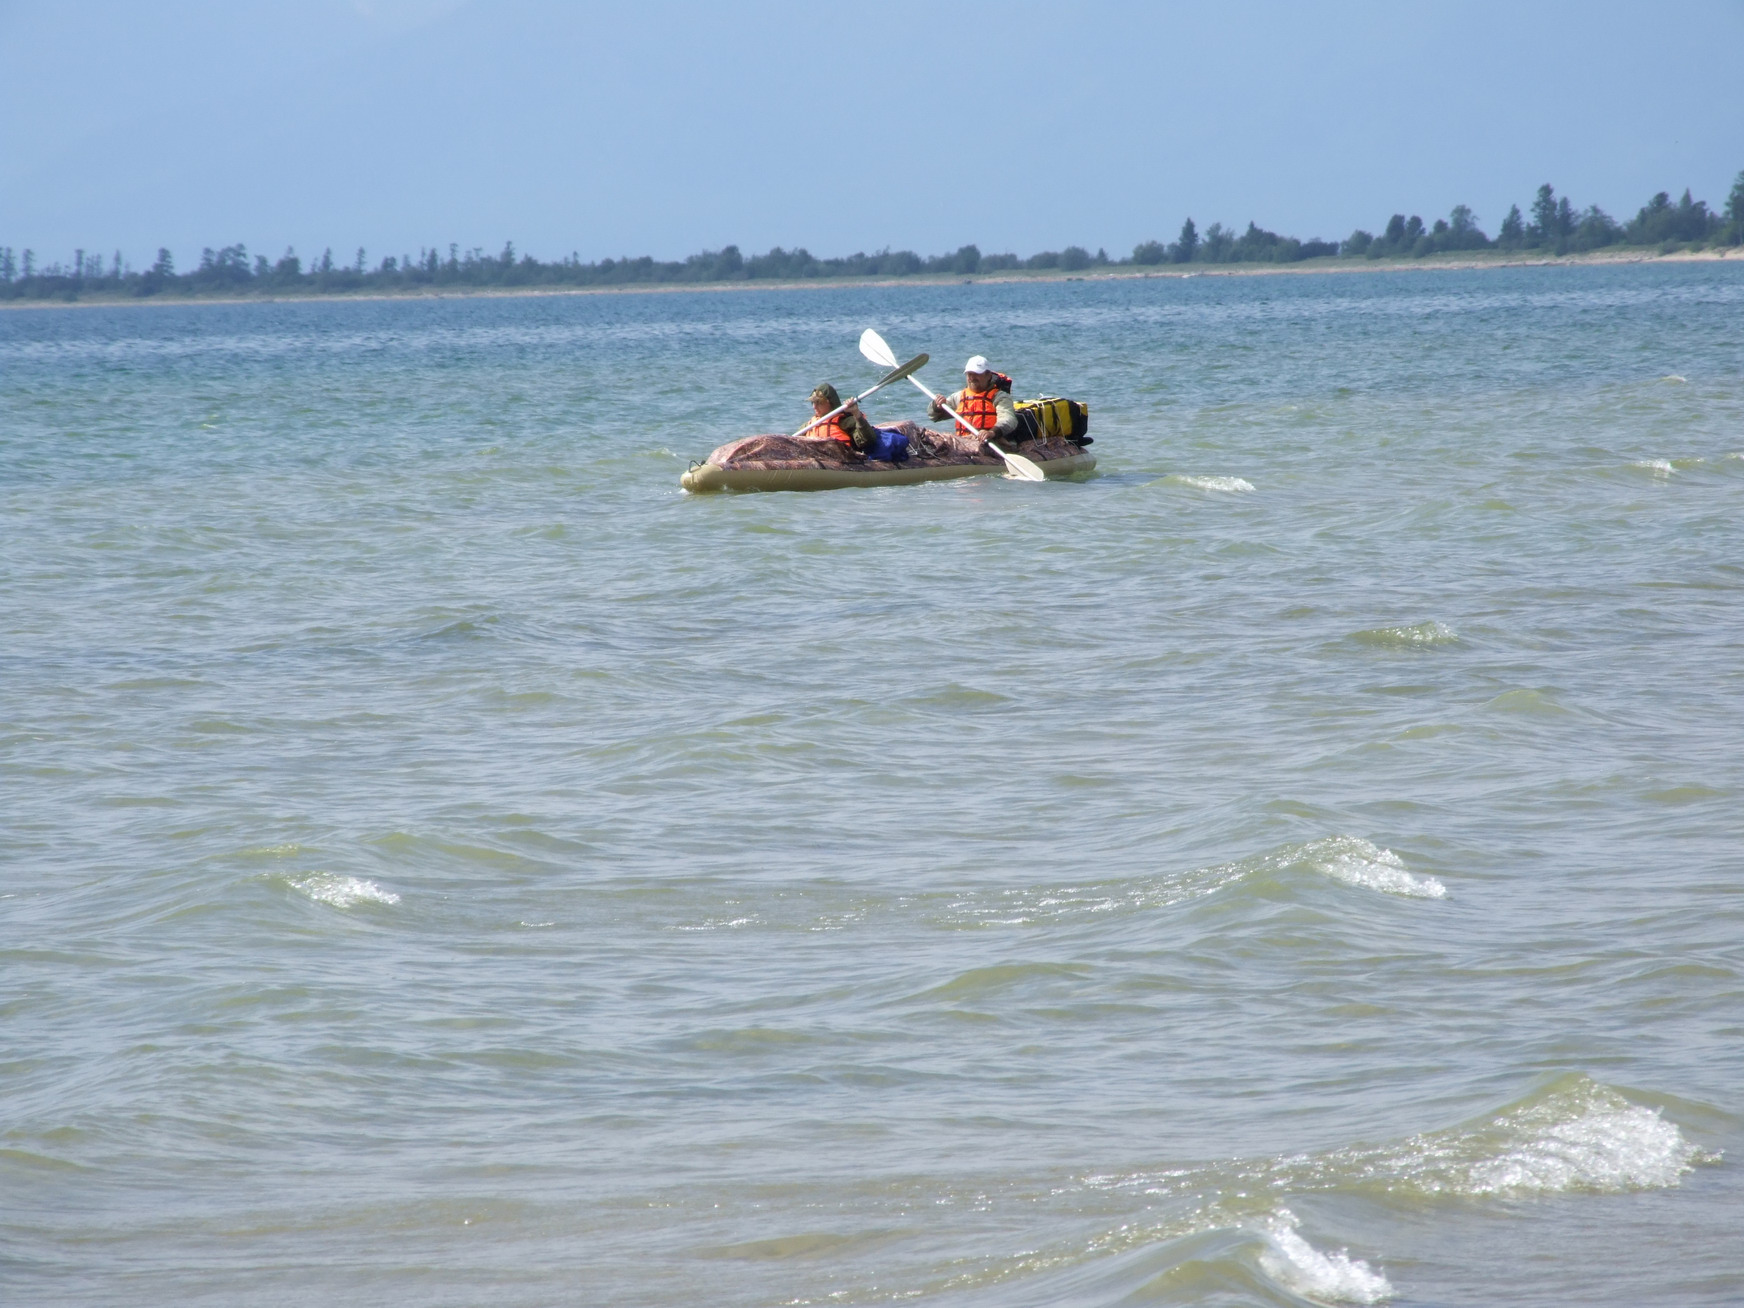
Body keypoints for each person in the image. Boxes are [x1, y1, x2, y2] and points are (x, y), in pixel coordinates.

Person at [930, 355, 1022, 446]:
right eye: (969, 374)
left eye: (977, 374)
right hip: (964, 443)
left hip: (990, 443)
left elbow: (1009, 419)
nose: (972, 377)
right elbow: (934, 416)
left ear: (988, 375)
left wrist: (992, 432)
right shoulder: (959, 397)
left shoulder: (999, 397)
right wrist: (937, 406)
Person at [804, 383, 880, 453]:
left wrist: (856, 413)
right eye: (813, 402)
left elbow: (868, 440)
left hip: (843, 459)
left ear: (830, 402)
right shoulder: (808, 426)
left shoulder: (845, 422)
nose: (814, 407)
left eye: (818, 402)